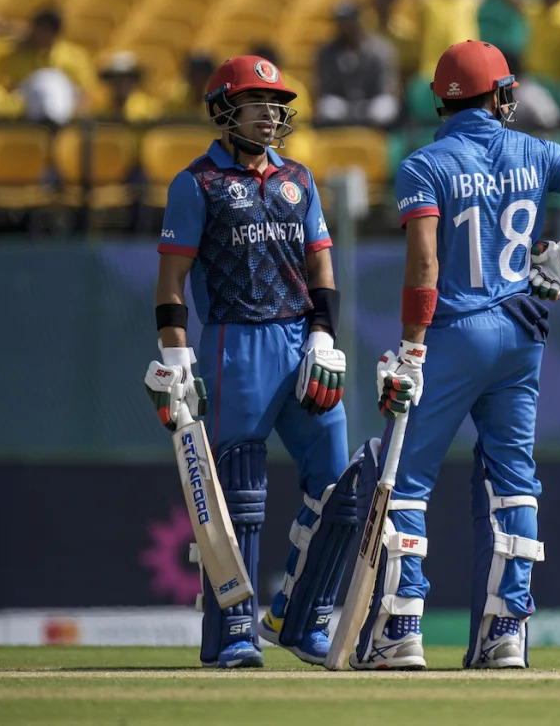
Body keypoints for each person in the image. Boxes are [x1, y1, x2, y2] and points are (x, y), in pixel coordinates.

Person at [348, 40, 560, 671]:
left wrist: (410, 347)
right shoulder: (534, 150)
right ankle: (505, 631)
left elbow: (424, 263)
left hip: (454, 331)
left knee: (406, 483)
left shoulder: (424, 164)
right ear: (501, 95)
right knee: (514, 486)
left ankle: (399, 629)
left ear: (440, 101)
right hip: (520, 332)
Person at [144, 54, 356, 669]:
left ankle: (298, 615)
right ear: (223, 111)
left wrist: (324, 334)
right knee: (238, 492)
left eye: (277, 103)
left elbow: (321, 266)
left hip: (299, 341)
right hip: (234, 342)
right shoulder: (196, 184)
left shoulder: (300, 177)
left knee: (341, 487)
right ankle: (232, 631)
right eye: (257, 103)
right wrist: (175, 354)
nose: (272, 114)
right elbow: (171, 278)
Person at [314, 0, 399, 125]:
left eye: (350, 19)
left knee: (385, 106)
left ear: (359, 19)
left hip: (371, 104)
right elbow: (325, 89)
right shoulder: (328, 52)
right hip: (343, 106)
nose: (346, 25)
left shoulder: (380, 49)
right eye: (342, 21)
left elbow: (387, 87)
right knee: (326, 107)